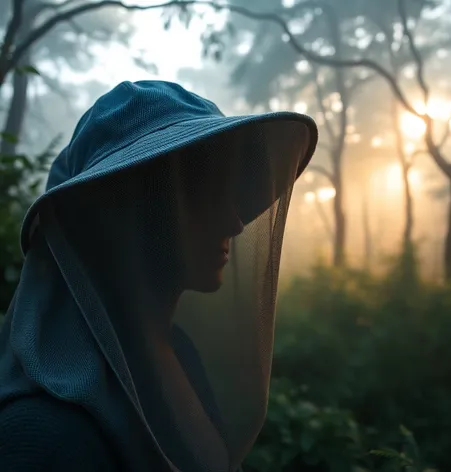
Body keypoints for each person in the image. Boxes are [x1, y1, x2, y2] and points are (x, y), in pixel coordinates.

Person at [0, 80, 318, 471]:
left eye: (232, 196)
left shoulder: (176, 352)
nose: (236, 223)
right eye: (203, 198)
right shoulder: (42, 430)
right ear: (132, 212)